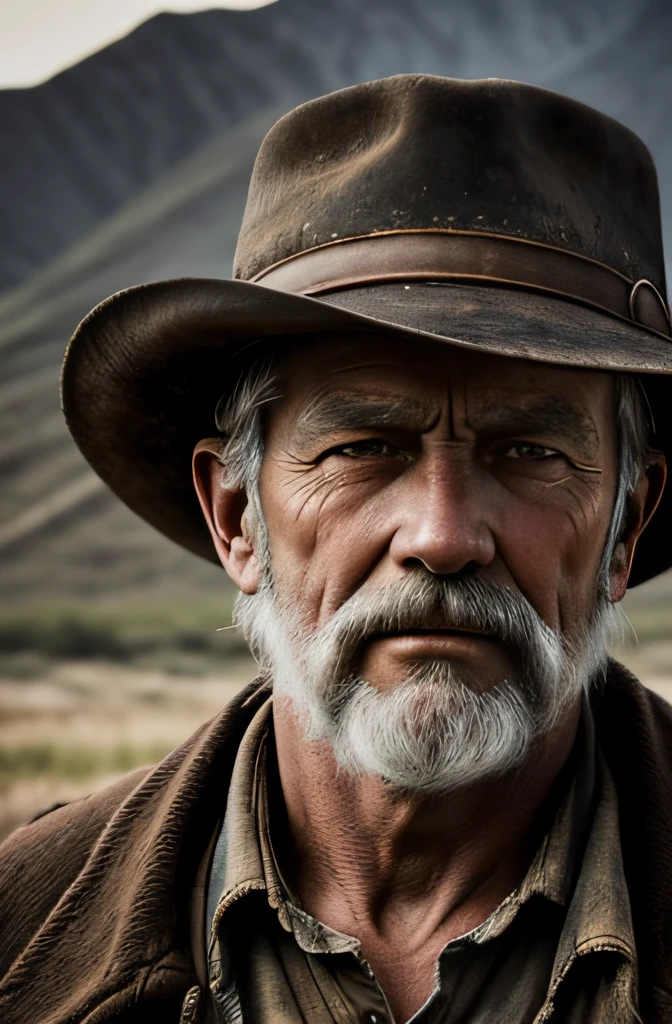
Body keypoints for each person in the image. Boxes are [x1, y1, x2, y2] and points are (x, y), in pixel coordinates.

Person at [2, 74, 672, 1024]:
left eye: (532, 453)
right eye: (365, 447)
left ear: (625, 527)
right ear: (236, 516)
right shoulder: (20, 939)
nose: (442, 537)